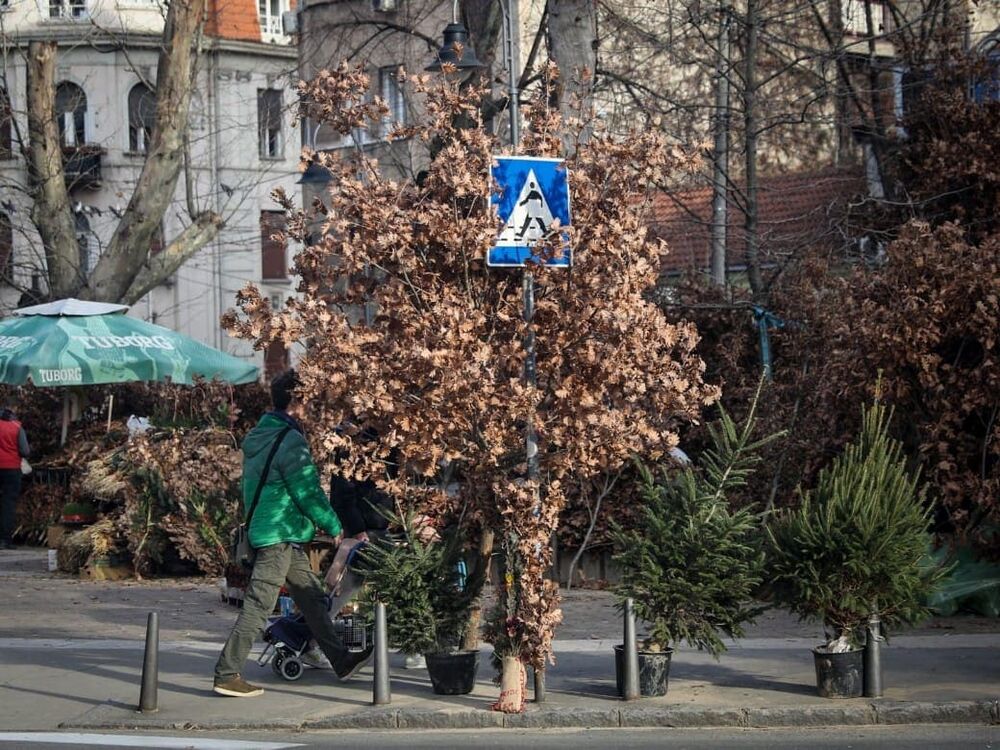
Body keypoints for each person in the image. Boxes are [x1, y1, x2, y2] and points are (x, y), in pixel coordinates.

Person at [213, 369, 373, 698]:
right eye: (307, 399)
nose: (310, 406)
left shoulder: (262, 435)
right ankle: (227, 673)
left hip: (276, 531)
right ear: (297, 401)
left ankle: (341, 661)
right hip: (279, 535)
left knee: (312, 598)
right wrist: (334, 526)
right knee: (259, 604)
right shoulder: (290, 441)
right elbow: (308, 492)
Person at [0, 407, 29, 550]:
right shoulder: (17, 427)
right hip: (11, 468)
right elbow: (25, 451)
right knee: (8, 504)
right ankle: (5, 540)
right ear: (11, 416)